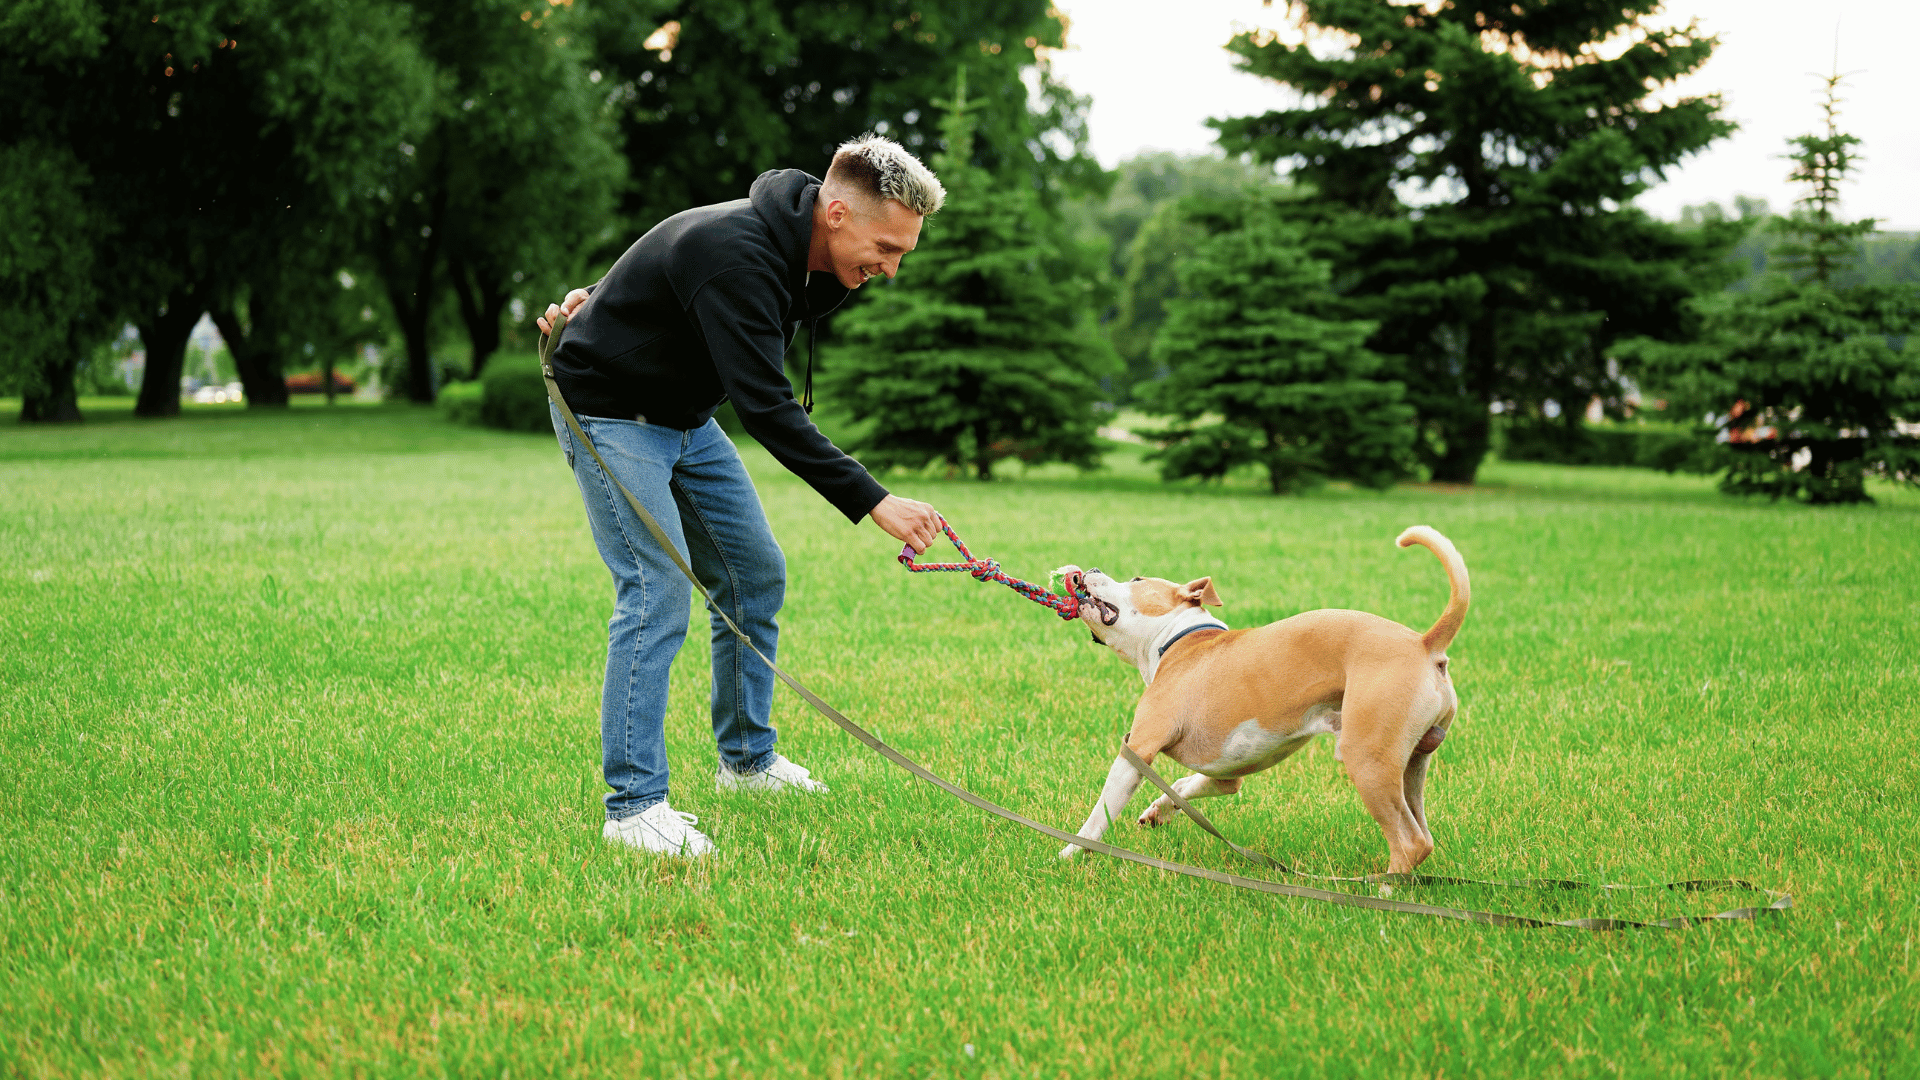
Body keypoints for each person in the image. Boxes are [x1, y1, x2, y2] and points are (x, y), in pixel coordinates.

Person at [536, 134, 945, 857]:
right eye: (887, 247)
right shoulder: (740, 251)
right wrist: (874, 500)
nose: (891, 268)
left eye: (903, 253)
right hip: (607, 410)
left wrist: (598, 294)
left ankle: (747, 764)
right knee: (655, 589)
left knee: (754, 574)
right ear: (838, 214)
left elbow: (672, 267)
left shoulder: (815, 263)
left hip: (685, 418)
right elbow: (765, 406)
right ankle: (633, 810)